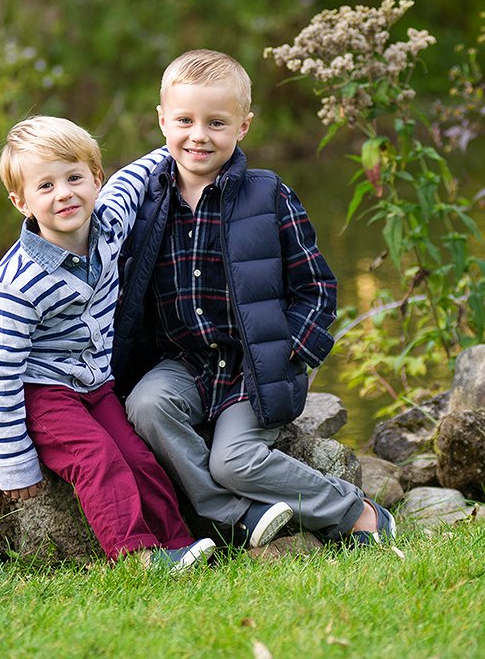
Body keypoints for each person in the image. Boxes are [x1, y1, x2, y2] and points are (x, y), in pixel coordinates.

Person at [113, 49, 397, 549]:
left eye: (216, 123)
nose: (198, 135)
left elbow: (317, 286)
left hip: (253, 368)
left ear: (243, 127)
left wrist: (291, 350)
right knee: (147, 404)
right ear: (162, 121)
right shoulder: (146, 202)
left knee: (234, 459)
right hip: (184, 363)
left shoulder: (267, 196)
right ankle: (239, 517)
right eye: (184, 120)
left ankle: (356, 512)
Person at [0, 116, 215, 573]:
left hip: (95, 384)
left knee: (137, 457)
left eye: (74, 177)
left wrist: (179, 144)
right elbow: (1, 374)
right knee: (99, 458)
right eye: (45, 186)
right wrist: (15, 464)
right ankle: (135, 557)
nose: (64, 193)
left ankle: (178, 545)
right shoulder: (17, 284)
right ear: (21, 202)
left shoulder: (109, 220)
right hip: (42, 393)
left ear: (96, 179)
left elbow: (137, 175)